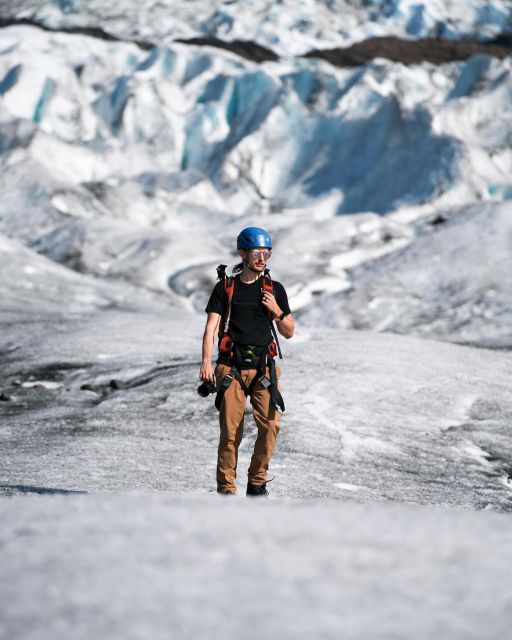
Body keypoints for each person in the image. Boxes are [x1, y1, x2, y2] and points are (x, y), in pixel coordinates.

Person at [200, 226, 294, 496]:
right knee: (230, 433)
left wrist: (276, 311)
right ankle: (226, 490)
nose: (262, 258)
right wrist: (207, 363)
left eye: (266, 253)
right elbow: (210, 329)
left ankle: (257, 483)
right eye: (256, 252)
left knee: (271, 426)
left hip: (265, 367)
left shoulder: (274, 289)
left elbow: (289, 331)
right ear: (242, 253)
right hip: (231, 368)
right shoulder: (225, 288)